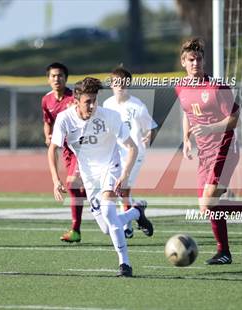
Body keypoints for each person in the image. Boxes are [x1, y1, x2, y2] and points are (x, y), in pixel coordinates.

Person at [176, 37, 242, 265]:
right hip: (204, 153)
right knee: (206, 207)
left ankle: (226, 246)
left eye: (199, 59)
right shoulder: (180, 86)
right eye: (191, 59)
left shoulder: (217, 86)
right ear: (183, 62)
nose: (196, 63)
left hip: (224, 149)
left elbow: (234, 119)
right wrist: (186, 139)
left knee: (209, 203)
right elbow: (187, 113)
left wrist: (209, 128)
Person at [48, 77, 153, 277]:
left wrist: (125, 173)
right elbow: (52, 149)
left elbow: (132, 147)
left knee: (107, 210)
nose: (93, 105)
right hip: (89, 177)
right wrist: (55, 180)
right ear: (76, 100)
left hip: (110, 168)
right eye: (88, 101)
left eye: (95, 100)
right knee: (107, 227)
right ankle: (136, 213)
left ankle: (125, 264)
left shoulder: (110, 116)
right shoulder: (65, 119)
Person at [103, 65, 157, 239]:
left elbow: (151, 127)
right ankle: (137, 210)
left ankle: (127, 226)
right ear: (111, 84)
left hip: (134, 154)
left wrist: (148, 136)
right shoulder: (107, 104)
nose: (120, 86)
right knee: (119, 190)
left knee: (123, 189)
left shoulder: (137, 106)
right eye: (116, 82)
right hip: (115, 154)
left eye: (124, 83)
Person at [41, 62, 86, 243]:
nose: (56, 79)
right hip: (66, 150)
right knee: (76, 190)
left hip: (81, 147)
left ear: (65, 78)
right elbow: (47, 121)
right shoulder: (46, 100)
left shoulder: (72, 98)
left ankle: (128, 208)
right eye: (53, 76)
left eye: (60, 75)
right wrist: (48, 135)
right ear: (48, 79)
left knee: (72, 183)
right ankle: (76, 230)